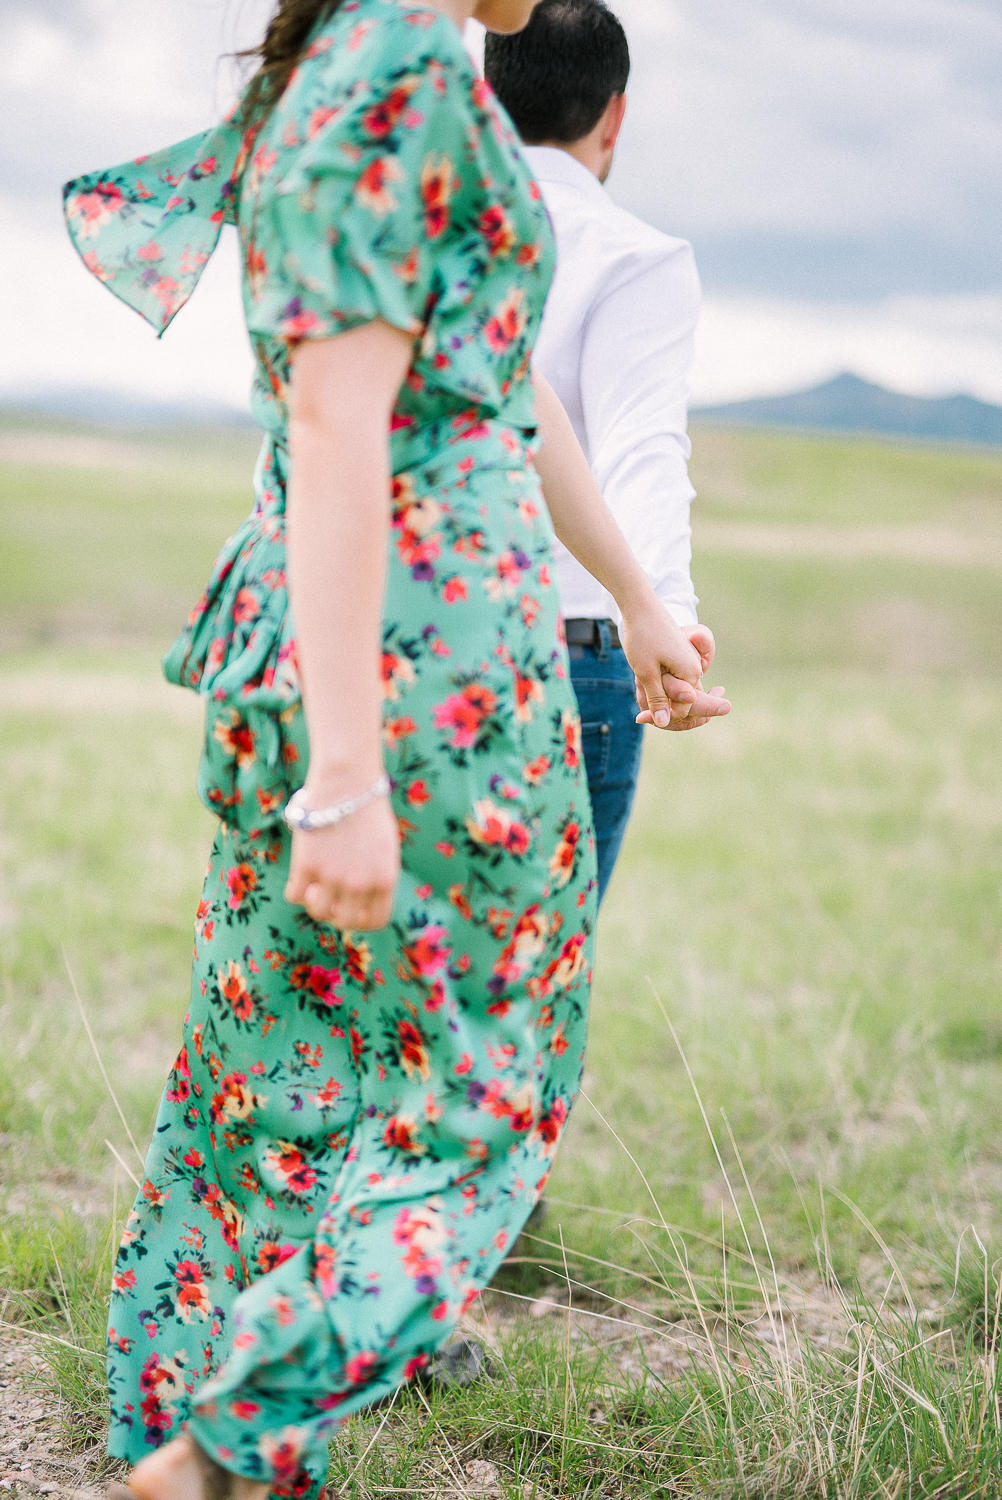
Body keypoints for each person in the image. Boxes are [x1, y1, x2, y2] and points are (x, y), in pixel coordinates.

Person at [63, 0, 729, 1495]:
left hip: (373, 648)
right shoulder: (393, 74)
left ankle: (176, 1421)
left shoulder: (378, 63)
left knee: (265, 1074)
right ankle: (218, 1453)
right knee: (479, 1095)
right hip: (425, 674)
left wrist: (630, 597)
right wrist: (345, 778)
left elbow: (500, 377)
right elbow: (343, 424)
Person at [485, 0, 726, 897]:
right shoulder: (633, 257)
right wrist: (664, 611)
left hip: (405, 628)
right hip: (573, 649)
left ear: (485, 91)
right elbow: (643, 449)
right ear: (614, 113)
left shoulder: (431, 227)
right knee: (535, 979)